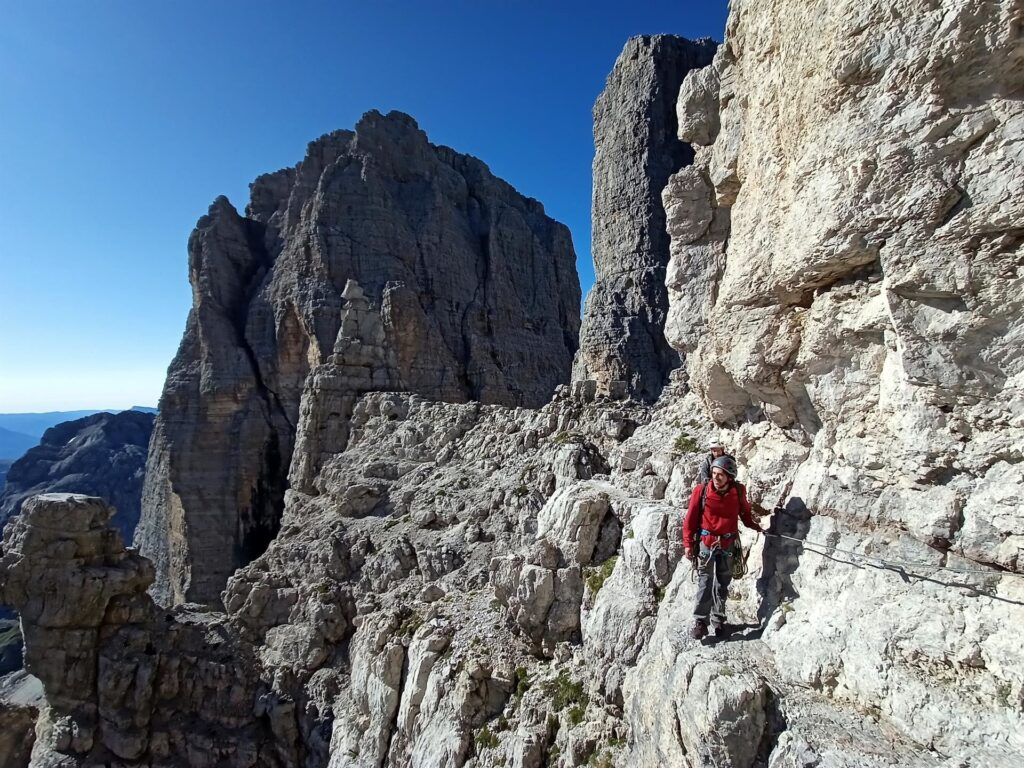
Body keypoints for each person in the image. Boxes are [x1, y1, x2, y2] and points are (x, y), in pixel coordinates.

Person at [683, 455, 763, 640]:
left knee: (722, 583)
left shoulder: (738, 491)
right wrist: (688, 543)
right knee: (705, 581)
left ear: (730, 476)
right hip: (707, 543)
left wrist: (756, 527)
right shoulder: (701, 491)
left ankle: (718, 619)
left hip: (727, 543)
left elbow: (744, 513)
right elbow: (691, 518)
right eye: (714, 473)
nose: (716, 478)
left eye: (720, 475)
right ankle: (700, 621)